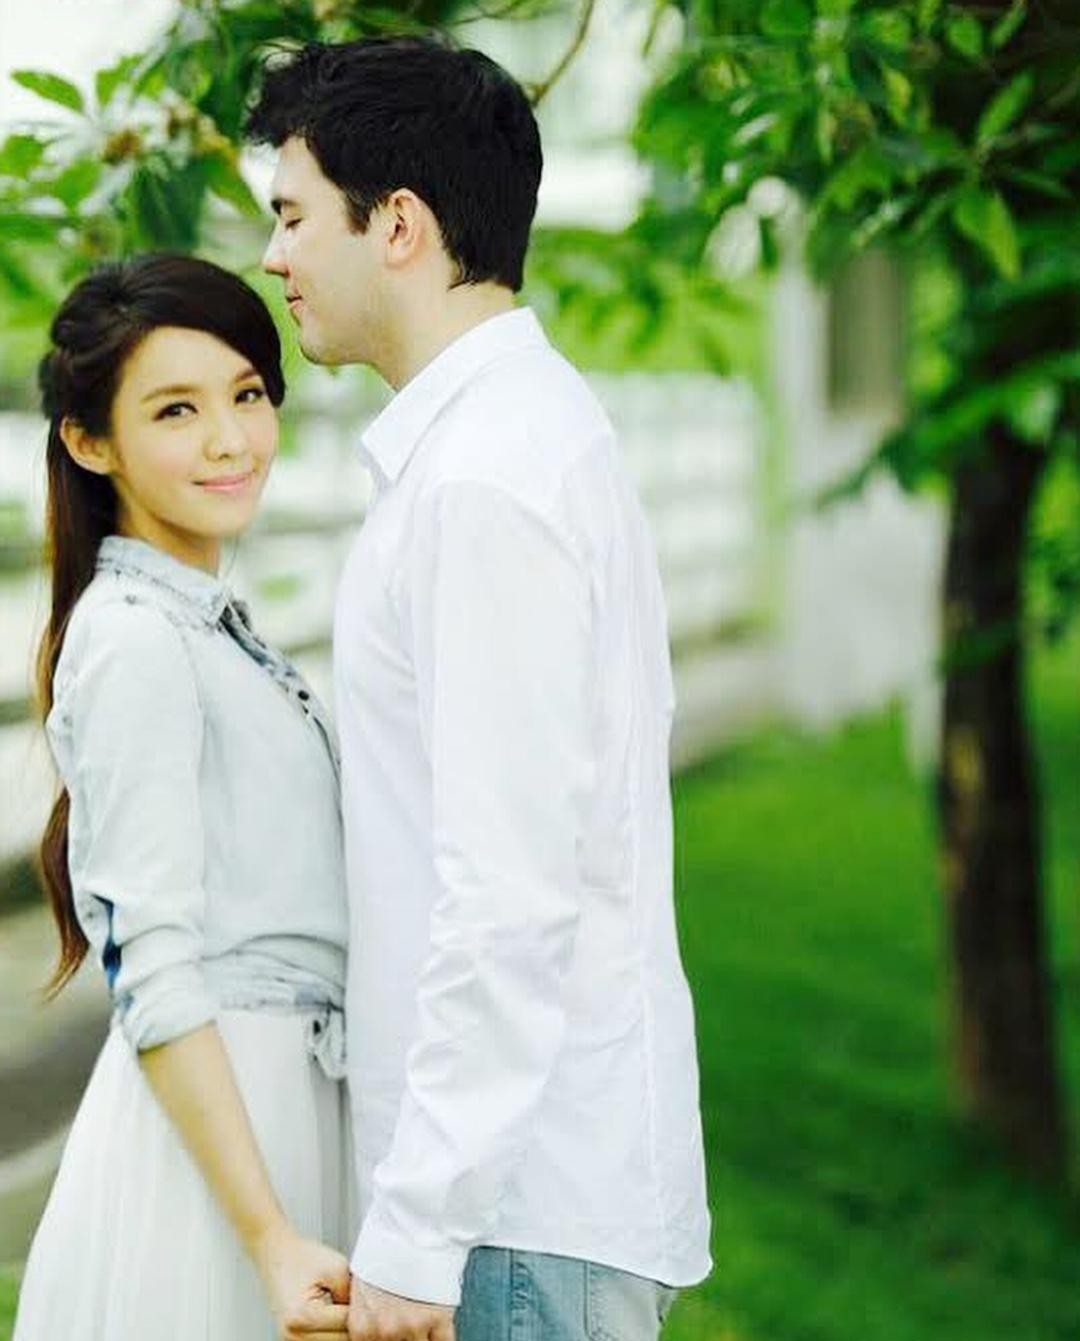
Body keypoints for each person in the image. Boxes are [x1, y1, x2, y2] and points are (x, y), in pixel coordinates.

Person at [248, 34, 712, 1341]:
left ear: (396, 225)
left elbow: (508, 891)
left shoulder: (485, 482)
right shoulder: (507, 444)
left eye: (294, 216)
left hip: (507, 1221)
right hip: (517, 1204)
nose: (274, 257)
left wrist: (417, 1235)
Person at [14, 254, 355, 1341]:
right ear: (90, 442)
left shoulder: (206, 629)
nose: (229, 440)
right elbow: (154, 963)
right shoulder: (135, 640)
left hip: (280, 1103)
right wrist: (269, 1234)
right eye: (176, 410)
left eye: (247, 394)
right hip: (223, 1136)